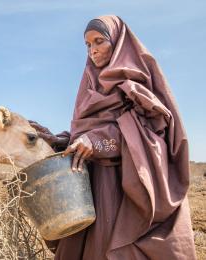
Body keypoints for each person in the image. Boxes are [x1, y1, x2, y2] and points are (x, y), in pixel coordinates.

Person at [29, 15, 196, 260]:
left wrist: (97, 140)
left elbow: (152, 128)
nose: (93, 50)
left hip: (126, 187)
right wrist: (61, 140)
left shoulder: (137, 76)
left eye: (99, 41)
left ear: (117, 41)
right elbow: (85, 131)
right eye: (88, 45)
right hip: (94, 185)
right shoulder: (89, 84)